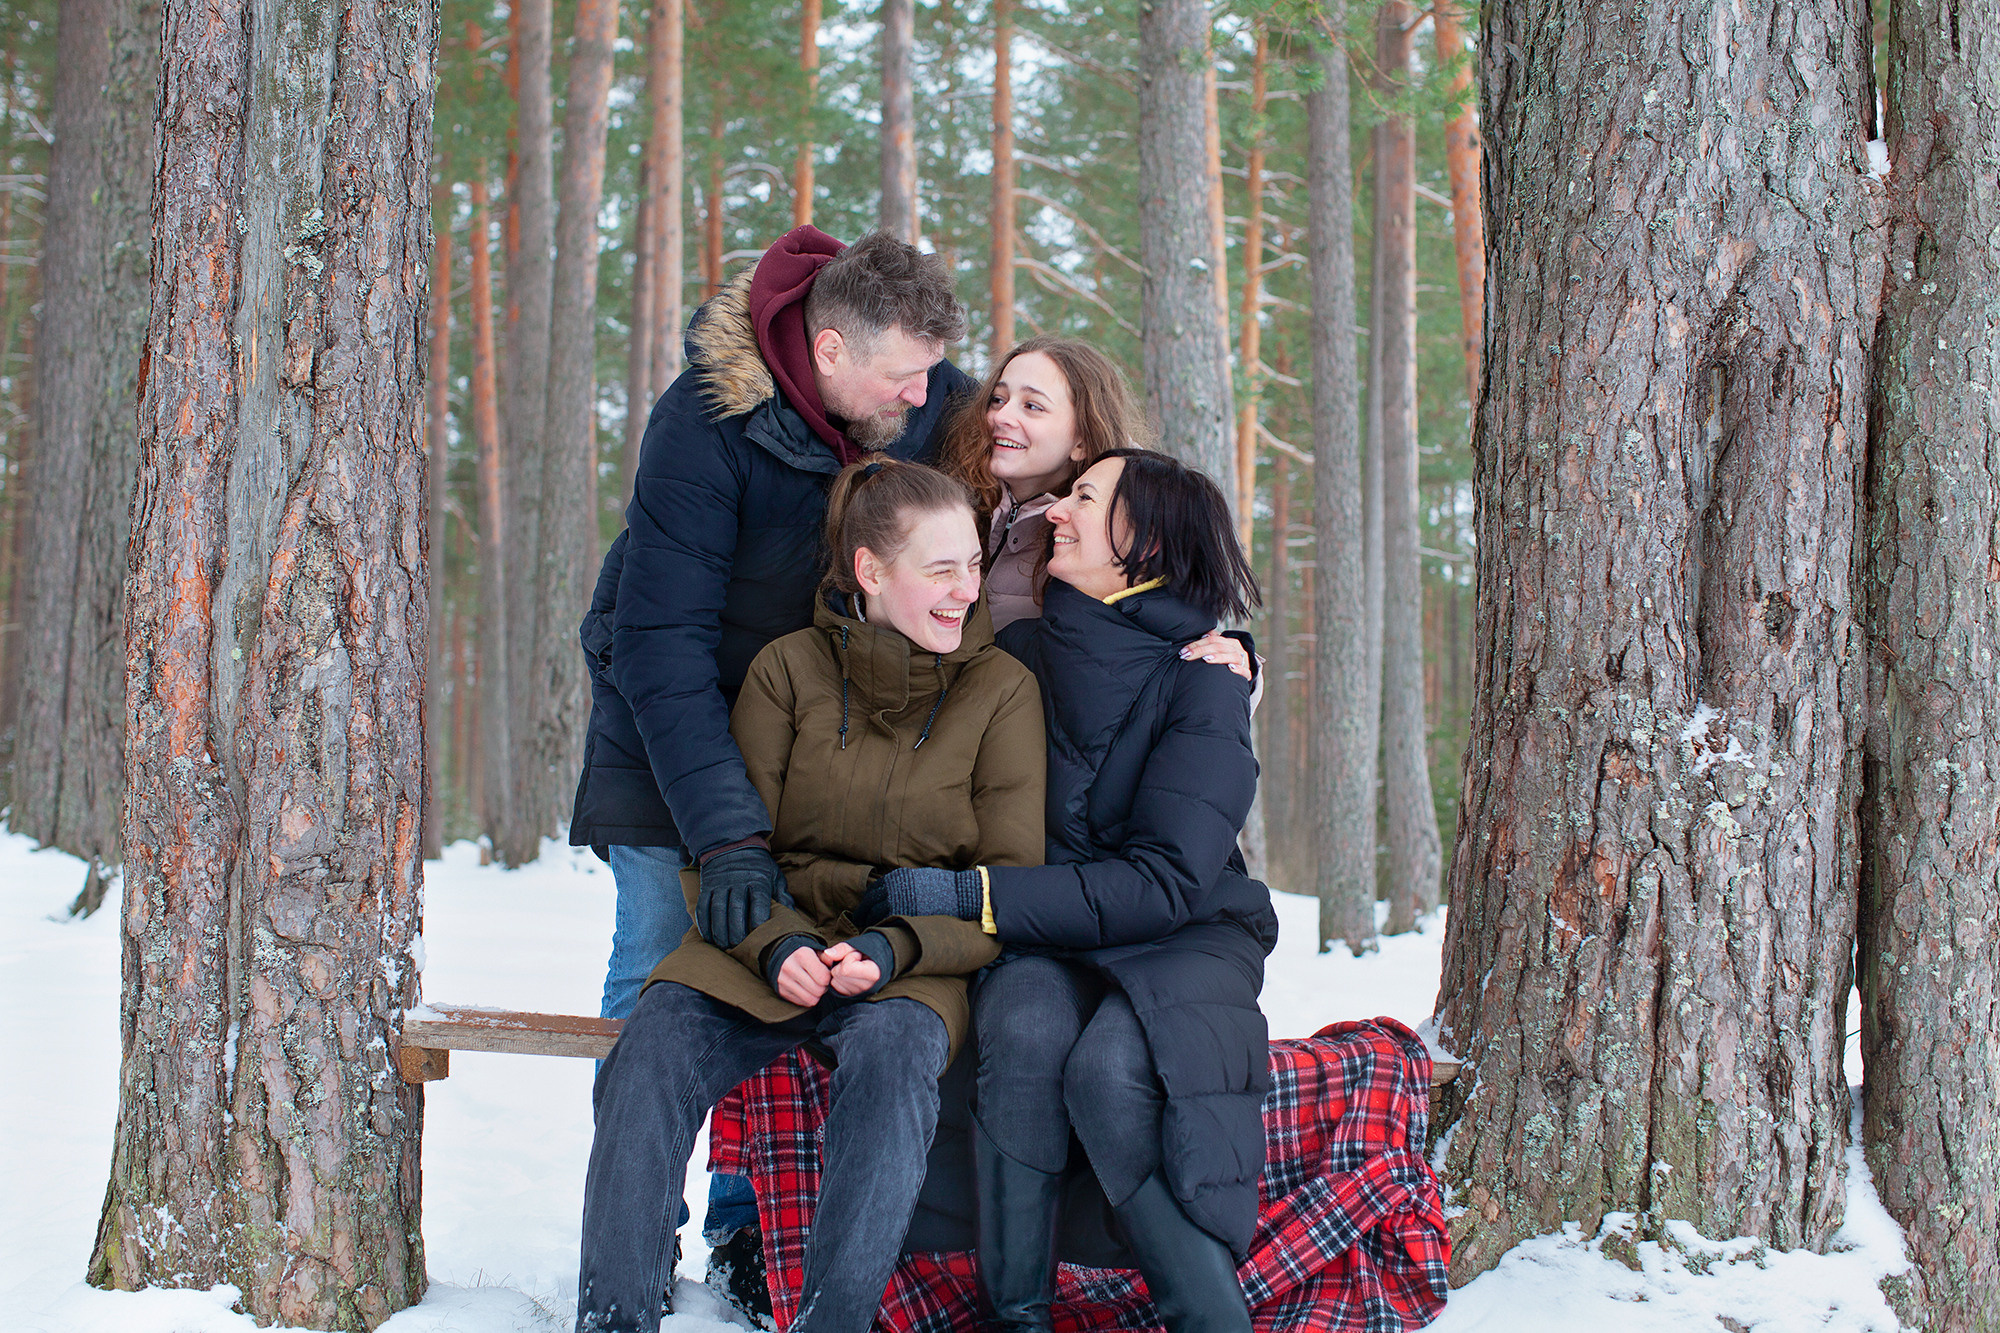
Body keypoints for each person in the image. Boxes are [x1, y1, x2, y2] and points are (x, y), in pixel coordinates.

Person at [569, 226, 975, 1297]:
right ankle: (629, 1246)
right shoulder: (703, 425)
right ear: (831, 352)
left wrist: (1191, 620)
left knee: (800, 970)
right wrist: (730, 837)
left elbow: (1083, 492)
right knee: (667, 958)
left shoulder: (921, 390)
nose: (927, 394)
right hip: (672, 736)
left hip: (826, 750)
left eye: (932, 370)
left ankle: (751, 1228)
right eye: (906, 375)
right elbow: (659, 648)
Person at [575, 459, 1048, 1332]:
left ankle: (834, 1321)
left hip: (910, 952)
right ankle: (614, 1315)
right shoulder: (786, 671)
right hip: (765, 934)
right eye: (940, 568)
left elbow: (1006, 887)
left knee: (897, 1056)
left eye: (973, 566)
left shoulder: (1002, 692)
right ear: (871, 571)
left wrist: (894, 949)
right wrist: (775, 943)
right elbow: (728, 847)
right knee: (652, 1050)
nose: (965, 590)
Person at [862, 449, 1277, 1332]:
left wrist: (971, 896)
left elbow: (1165, 882)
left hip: (1184, 932)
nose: (1057, 512)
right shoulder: (1017, 654)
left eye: (1085, 498)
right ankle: (1018, 1316)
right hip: (1048, 934)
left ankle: (1210, 1316)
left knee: (1108, 1071)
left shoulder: (1204, 680)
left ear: (1146, 538)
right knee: (1019, 1030)